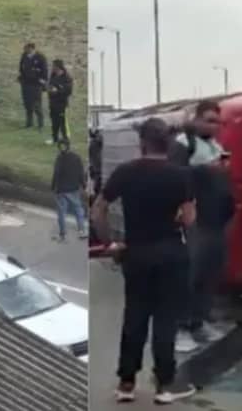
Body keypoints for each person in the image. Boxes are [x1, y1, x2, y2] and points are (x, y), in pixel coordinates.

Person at [92, 118, 198, 405]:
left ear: (142, 144)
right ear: (168, 145)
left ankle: (126, 383)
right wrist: (176, 217)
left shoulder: (126, 172)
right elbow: (189, 219)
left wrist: (109, 243)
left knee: (135, 316)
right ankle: (164, 386)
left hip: (136, 254)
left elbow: (98, 209)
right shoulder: (180, 177)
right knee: (166, 319)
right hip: (172, 255)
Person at [168, 100, 235, 352]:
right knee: (190, 274)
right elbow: (175, 177)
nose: (214, 126)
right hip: (195, 220)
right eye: (208, 120)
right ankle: (180, 327)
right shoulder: (184, 145)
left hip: (216, 220)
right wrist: (207, 171)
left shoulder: (215, 146)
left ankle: (199, 321)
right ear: (195, 119)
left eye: (218, 121)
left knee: (210, 273)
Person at [51, 139, 88, 241]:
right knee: (78, 210)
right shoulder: (77, 158)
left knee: (62, 213)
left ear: (59, 148)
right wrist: (84, 186)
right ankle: (81, 231)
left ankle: (63, 234)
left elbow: (56, 174)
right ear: (69, 146)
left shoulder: (59, 159)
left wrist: (53, 187)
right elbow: (81, 174)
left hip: (61, 190)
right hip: (74, 189)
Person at [17, 42, 48, 130]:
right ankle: (29, 123)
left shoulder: (40, 57)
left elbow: (44, 71)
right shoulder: (24, 56)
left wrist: (42, 83)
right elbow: (21, 67)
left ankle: (40, 124)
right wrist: (20, 78)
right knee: (27, 104)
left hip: (36, 85)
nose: (25, 50)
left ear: (31, 48)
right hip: (26, 83)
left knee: (36, 104)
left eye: (26, 49)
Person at [47, 59, 74, 146]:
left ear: (58, 67)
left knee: (63, 123)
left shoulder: (67, 77)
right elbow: (50, 85)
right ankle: (55, 138)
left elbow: (68, 91)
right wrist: (49, 89)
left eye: (54, 66)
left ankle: (66, 140)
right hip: (52, 103)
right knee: (54, 122)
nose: (52, 68)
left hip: (62, 104)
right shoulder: (53, 75)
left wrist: (58, 91)